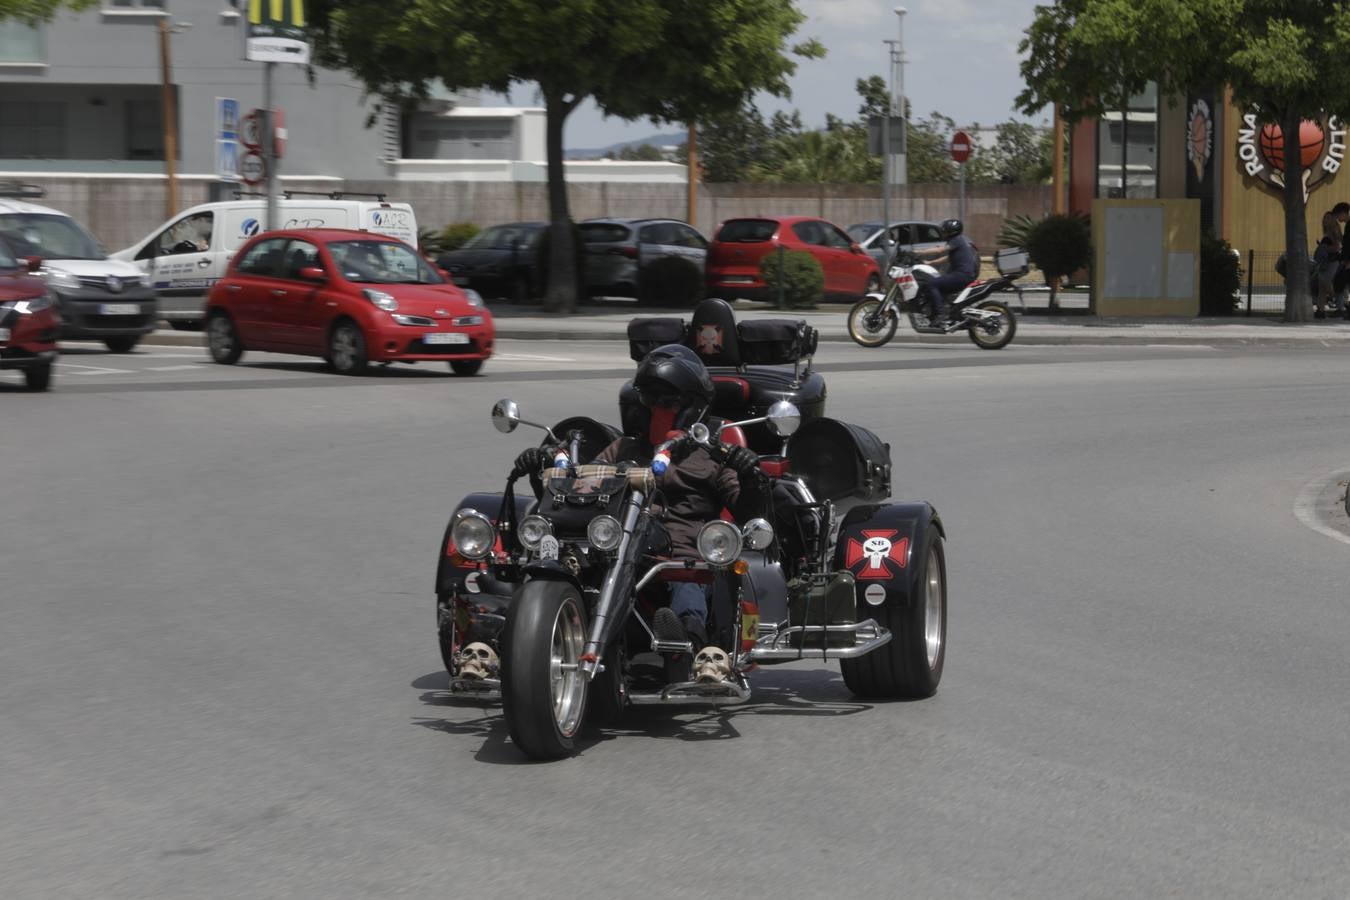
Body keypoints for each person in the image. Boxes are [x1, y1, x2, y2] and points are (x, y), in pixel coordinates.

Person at [511, 344, 764, 667]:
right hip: (612, 549)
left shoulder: (712, 456)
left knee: (686, 592)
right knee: (545, 562)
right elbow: (577, 493)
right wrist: (544, 470)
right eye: (651, 400)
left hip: (680, 559)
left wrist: (750, 473)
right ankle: (507, 637)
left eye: (669, 401)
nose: (658, 409)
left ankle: (696, 651)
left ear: (692, 407)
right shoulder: (622, 449)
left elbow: (747, 512)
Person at [914, 218, 979, 326]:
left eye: (945, 230)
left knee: (932, 284)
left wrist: (918, 252)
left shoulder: (957, 239)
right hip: (963, 274)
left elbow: (940, 250)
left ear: (951, 231)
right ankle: (942, 312)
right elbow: (949, 258)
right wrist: (931, 262)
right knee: (940, 287)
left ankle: (941, 314)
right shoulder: (959, 240)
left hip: (962, 275)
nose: (943, 232)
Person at [1314, 202, 1348, 319]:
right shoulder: (1326, 232)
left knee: (1326, 283)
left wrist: (1324, 248)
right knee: (1321, 288)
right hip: (1325, 263)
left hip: (1333, 262)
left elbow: (1337, 247)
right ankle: (1320, 310)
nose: (1325, 220)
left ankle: (1341, 302)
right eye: (1324, 218)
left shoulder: (1334, 231)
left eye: (1328, 218)